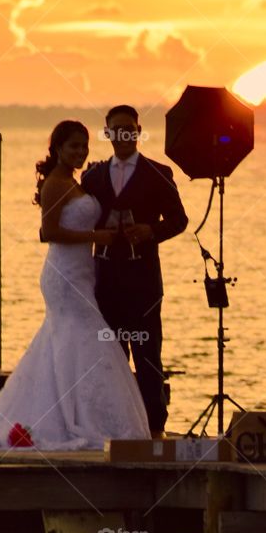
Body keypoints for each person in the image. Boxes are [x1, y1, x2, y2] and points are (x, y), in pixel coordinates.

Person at [0, 120, 149, 455]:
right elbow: (48, 232)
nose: (80, 152)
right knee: (82, 334)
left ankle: (79, 412)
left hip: (82, 273)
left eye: (84, 145)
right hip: (63, 275)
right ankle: (69, 417)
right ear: (58, 148)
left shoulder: (75, 182)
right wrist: (97, 236)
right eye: (73, 146)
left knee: (70, 339)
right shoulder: (55, 184)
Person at [81, 104, 188, 438]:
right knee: (109, 355)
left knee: (148, 355)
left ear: (138, 131)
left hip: (144, 280)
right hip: (105, 279)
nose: (124, 134)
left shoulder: (159, 172)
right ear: (108, 133)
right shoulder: (93, 176)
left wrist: (150, 231)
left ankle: (154, 426)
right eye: (117, 129)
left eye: (129, 128)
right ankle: (112, 424)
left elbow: (179, 220)